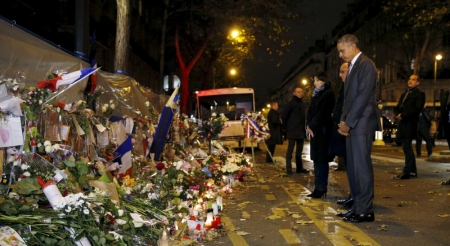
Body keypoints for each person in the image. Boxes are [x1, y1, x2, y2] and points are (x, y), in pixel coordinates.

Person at [337, 34, 381, 223]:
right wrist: (342, 121)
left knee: (361, 168)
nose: (340, 55)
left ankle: (365, 210)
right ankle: (356, 205)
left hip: (362, 123)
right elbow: (348, 100)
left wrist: (349, 122)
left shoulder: (366, 64)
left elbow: (362, 97)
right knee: (353, 167)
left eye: (342, 50)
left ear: (353, 46)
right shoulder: (354, 66)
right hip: (353, 123)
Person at [306, 71, 336, 198]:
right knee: (316, 160)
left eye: (317, 80)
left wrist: (311, 124)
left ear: (324, 81)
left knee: (322, 160)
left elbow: (324, 112)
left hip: (322, 130)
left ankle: (321, 187)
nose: (315, 83)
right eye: (314, 81)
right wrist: (309, 125)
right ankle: (318, 187)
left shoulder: (328, 93)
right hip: (316, 130)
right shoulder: (316, 94)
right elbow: (311, 111)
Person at [394, 75, 425, 179]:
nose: (410, 81)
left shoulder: (420, 94)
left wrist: (403, 115)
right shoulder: (404, 94)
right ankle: (412, 171)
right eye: (409, 79)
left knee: (407, 147)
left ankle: (407, 171)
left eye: (413, 79)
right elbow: (398, 106)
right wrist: (397, 113)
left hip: (410, 123)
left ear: (418, 83)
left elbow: (417, 109)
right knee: (406, 147)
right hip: (402, 123)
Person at [282, 86, 309, 175]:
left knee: (299, 151)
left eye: (301, 91)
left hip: (301, 131)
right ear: (294, 93)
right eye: (298, 92)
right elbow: (284, 116)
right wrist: (287, 127)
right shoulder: (290, 104)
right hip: (292, 131)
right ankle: (288, 169)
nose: (300, 93)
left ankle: (299, 168)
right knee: (290, 151)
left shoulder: (303, 103)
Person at [329, 62, 348, 172]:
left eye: (342, 71)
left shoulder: (350, 86)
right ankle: (342, 165)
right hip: (341, 120)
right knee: (340, 144)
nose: (340, 75)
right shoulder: (343, 85)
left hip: (344, 121)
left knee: (342, 144)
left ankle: (343, 165)